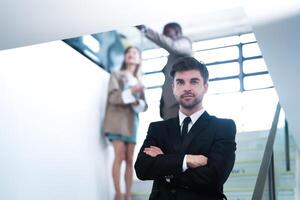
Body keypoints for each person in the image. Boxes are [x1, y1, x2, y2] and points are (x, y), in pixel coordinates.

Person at [134, 57, 236, 200]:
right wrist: (187, 160)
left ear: (205, 87)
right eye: (180, 82)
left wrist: (165, 165)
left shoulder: (224, 127)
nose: (187, 87)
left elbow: (215, 177)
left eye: (194, 81)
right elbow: (142, 169)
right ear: (173, 88)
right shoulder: (158, 128)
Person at [104, 46, 148, 200]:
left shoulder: (139, 81)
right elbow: (113, 97)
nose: (131, 54)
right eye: (128, 52)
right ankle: (118, 195)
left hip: (132, 122)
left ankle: (128, 196)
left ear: (139, 59)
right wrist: (131, 92)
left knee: (130, 159)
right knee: (119, 156)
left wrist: (136, 99)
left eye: (135, 53)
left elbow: (143, 106)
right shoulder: (117, 74)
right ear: (124, 57)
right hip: (117, 120)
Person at [136, 22, 193, 120]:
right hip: (169, 106)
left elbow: (174, 47)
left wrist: (145, 29)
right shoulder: (171, 57)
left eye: (167, 32)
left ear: (177, 32)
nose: (164, 36)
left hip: (180, 103)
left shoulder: (185, 42)